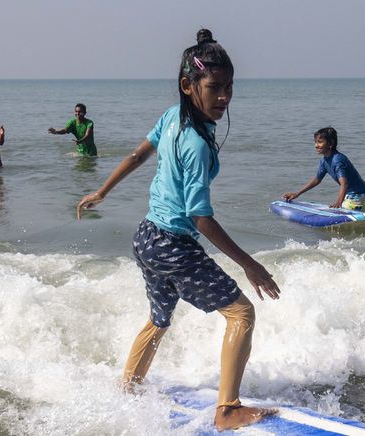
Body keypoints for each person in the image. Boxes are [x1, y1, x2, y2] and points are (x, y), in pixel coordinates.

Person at [76, 29, 280, 431]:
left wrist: (102, 191)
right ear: (189, 86)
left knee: (159, 319)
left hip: (146, 238)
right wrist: (250, 264)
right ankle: (228, 410)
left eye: (229, 88)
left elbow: (138, 154)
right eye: (214, 88)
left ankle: (129, 390)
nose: (224, 97)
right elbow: (200, 216)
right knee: (242, 313)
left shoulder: (173, 116)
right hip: (172, 245)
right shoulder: (198, 144)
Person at [282, 127, 365, 210]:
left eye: (320, 142)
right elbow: (317, 180)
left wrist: (339, 203)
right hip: (351, 195)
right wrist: (297, 193)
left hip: (360, 195)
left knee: (340, 212)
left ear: (331, 143)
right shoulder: (324, 160)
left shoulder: (337, 160)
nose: (316, 145)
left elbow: (344, 183)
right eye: (315, 142)